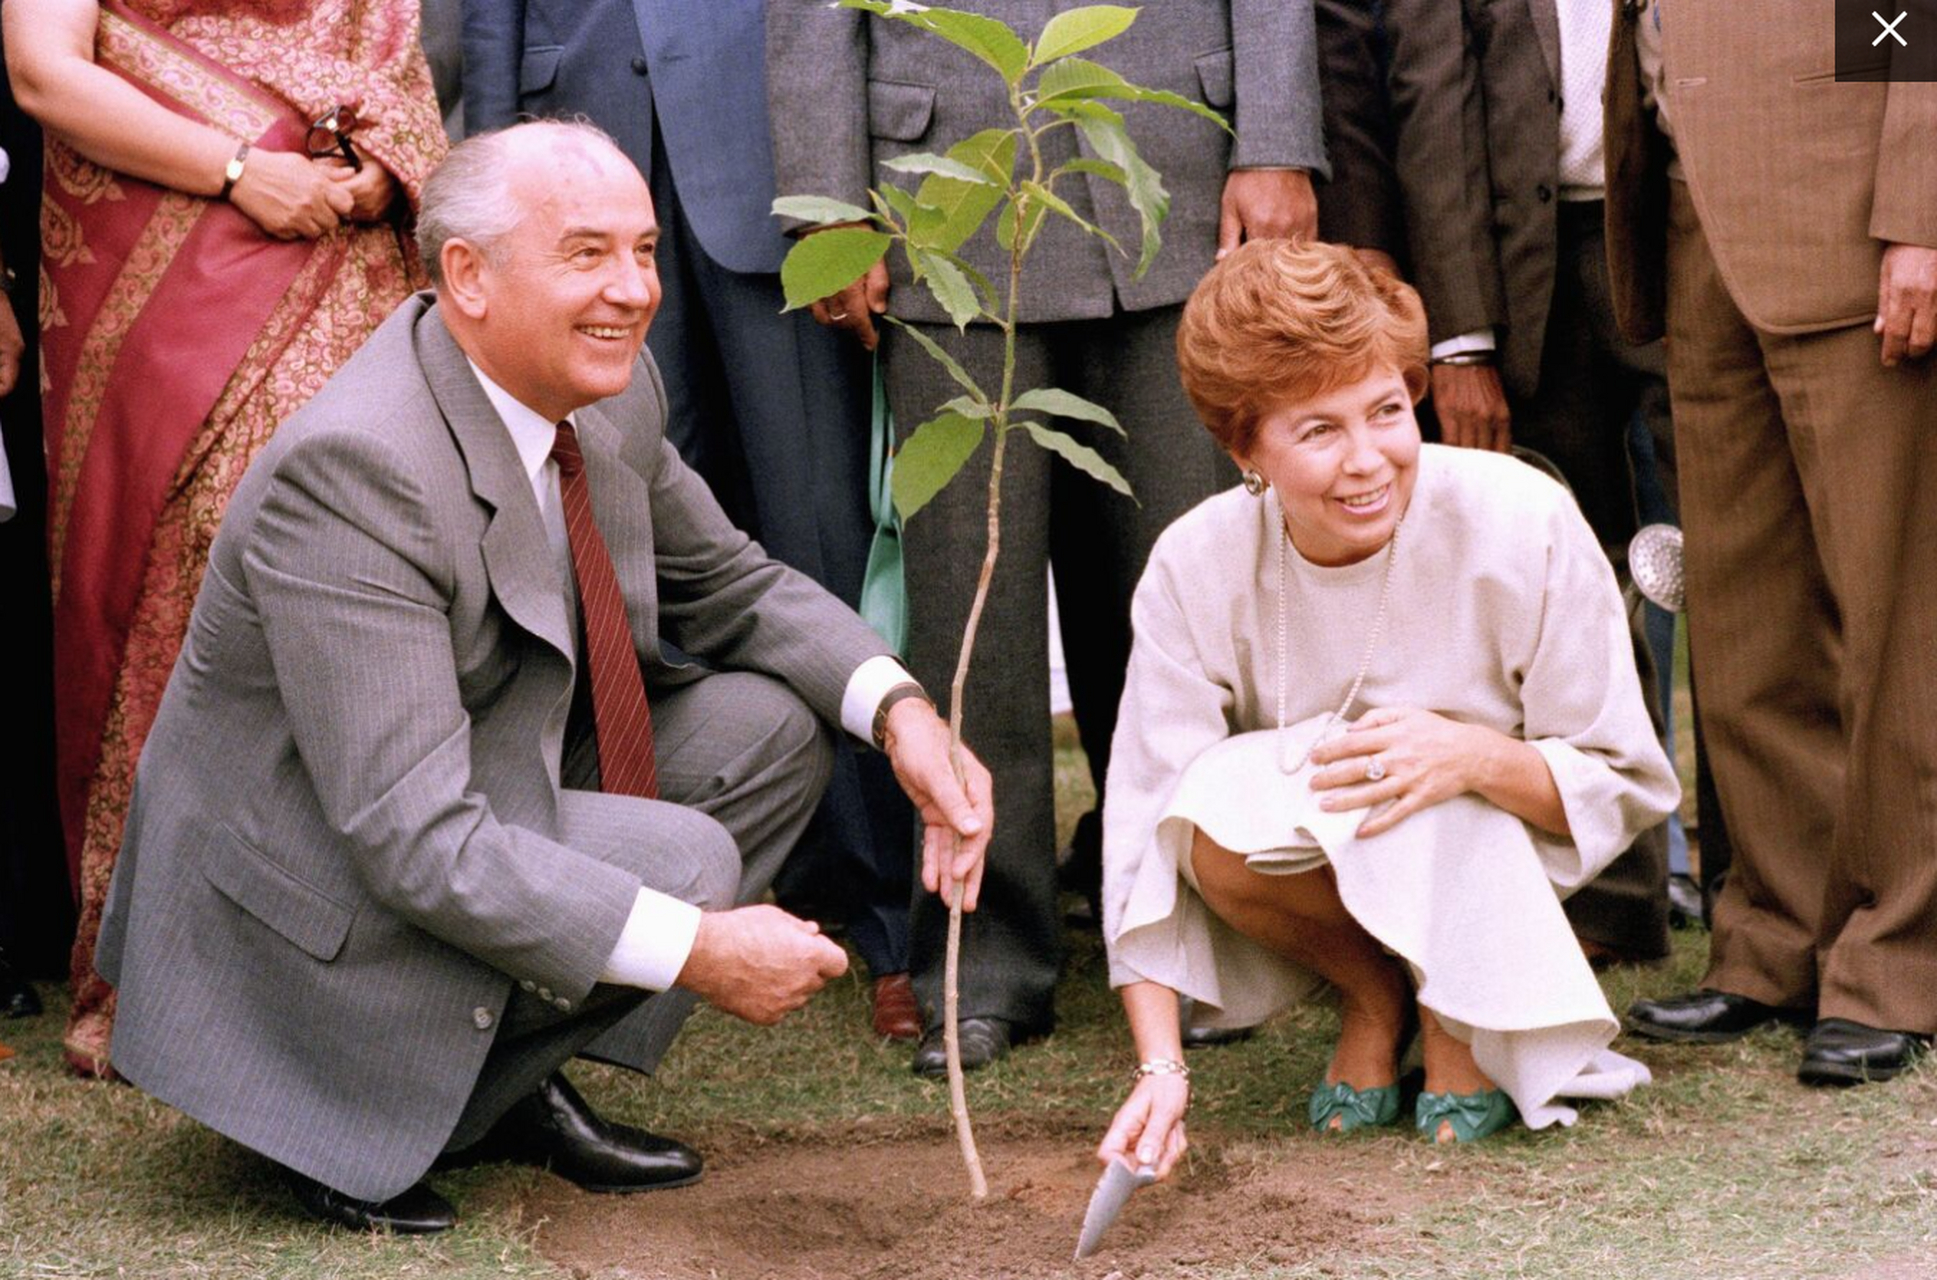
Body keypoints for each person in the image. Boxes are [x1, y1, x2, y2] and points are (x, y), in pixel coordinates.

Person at [93, 119, 992, 1235]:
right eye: (586, 254)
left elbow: (737, 588)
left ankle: (493, 1082)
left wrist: (903, 713)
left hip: (465, 777)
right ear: (465, 275)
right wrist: (698, 948)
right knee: (685, 863)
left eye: (645, 249)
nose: (634, 290)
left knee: (771, 728)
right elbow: (411, 835)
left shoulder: (604, 389)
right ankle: (347, 1090)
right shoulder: (357, 471)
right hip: (306, 883)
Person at [769, 0, 1328, 1076]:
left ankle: (1193, 929)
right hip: (937, 196)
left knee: (1179, 600)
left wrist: (1274, 137)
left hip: (1170, 173)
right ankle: (980, 964)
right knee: (968, 617)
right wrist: (831, 207)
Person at [1096, 241, 1678, 1170]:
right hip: (1329, 836)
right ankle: (1376, 996)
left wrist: (1473, 757)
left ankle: (1460, 1022)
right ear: (1243, 447)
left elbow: (1625, 777)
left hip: (1503, 839)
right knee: (1200, 813)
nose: (1367, 461)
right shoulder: (1192, 560)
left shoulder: (1522, 517)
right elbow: (1141, 816)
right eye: (1317, 431)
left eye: (1383, 410)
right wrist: (1160, 1065)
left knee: (1433, 766)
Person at [5, 0, 450, 1078]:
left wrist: (385, 171)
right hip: (168, 252)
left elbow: (393, 50)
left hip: (348, 247)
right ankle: (158, 972)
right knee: (184, 565)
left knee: (370, 568)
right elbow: (41, 71)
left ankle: (381, 962)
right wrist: (242, 166)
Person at [463, 0, 920, 1042]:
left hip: (770, 158)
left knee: (817, 542)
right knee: (605, 553)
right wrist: (488, 162)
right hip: (571, 148)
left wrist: (844, 186)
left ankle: (888, 915)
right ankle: (652, 910)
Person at [1606, 2, 1937, 1082]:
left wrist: (1919, 218)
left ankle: (1898, 959)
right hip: (1696, 228)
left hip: (1849, 234)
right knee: (1745, 616)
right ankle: (1771, 943)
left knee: (1894, 618)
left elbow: (1909, 18)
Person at [1383, 0, 1674, 964]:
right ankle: (1614, 901)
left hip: (1698, 237)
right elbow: (1432, 89)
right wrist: (1458, 338)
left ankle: (1769, 902)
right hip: (1525, 268)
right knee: (1567, 593)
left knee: (1742, 583)